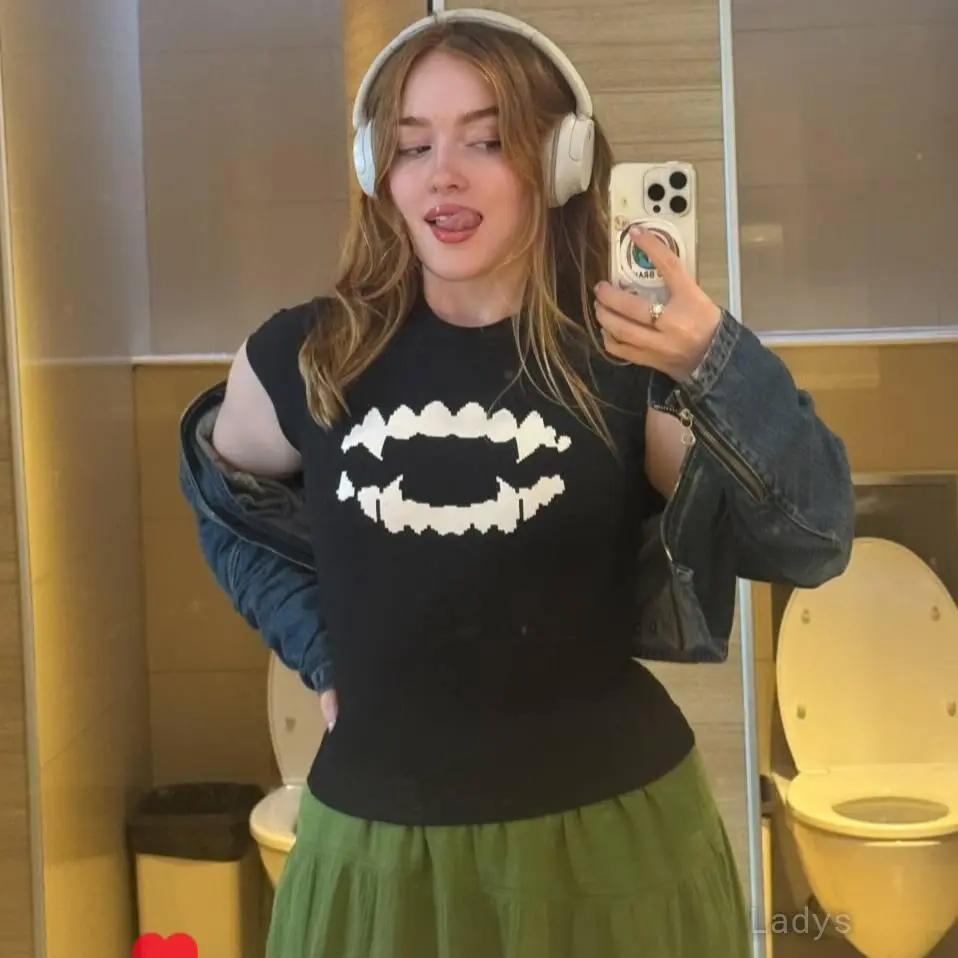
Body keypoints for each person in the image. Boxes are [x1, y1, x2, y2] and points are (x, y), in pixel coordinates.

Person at [178, 9, 854, 957]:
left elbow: (814, 541)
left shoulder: (625, 362)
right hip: (372, 852)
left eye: (487, 140)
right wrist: (321, 651)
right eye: (412, 145)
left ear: (563, 162)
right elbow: (223, 502)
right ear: (378, 170)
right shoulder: (306, 357)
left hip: (610, 850)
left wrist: (713, 356)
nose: (443, 174)